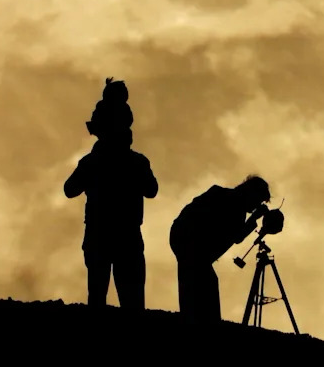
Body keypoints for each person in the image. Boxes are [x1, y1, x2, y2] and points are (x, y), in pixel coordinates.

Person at [65, 106, 157, 311]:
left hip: (101, 235)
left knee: (98, 296)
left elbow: (70, 189)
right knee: (131, 301)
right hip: (126, 236)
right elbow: (151, 190)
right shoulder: (137, 162)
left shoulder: (92, 162)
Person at [169, 175, 271, 324]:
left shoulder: (227, 199)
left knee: (196, 284)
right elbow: (236, 235)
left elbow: (234, 234)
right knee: (201, 286)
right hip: (191, 244)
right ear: (250, 193)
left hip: (189, 244)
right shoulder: (228, 200)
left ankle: (197, 319)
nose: (255, 206)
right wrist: (253, 219)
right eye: (257, 200)